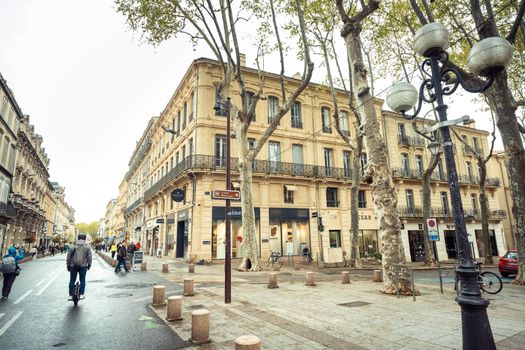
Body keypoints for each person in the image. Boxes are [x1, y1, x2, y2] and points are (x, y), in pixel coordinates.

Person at [66, 234, 92, 300]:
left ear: (78, 238)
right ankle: (81, 294)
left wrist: (68, 265)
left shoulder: (73, 246)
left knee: (72, 280)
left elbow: (69, 256)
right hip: (83, 266)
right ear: (85, 239)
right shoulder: (87, 247)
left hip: (73, 265)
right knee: (82, 279)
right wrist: (89, 264)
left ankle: (70, 295)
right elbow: (89, 257)